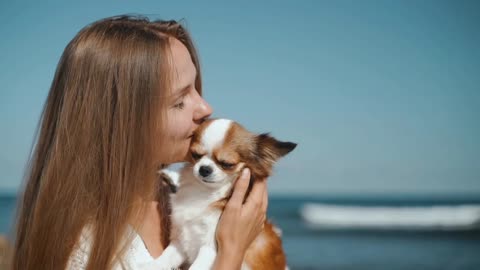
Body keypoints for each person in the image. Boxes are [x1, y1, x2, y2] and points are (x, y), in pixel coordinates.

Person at [11, 15, 268, 270]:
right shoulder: (85, 249)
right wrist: (231, 251)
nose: (205, 108)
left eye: (196, 89)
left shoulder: (180, 185)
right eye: (179, 101)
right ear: (120, 121)